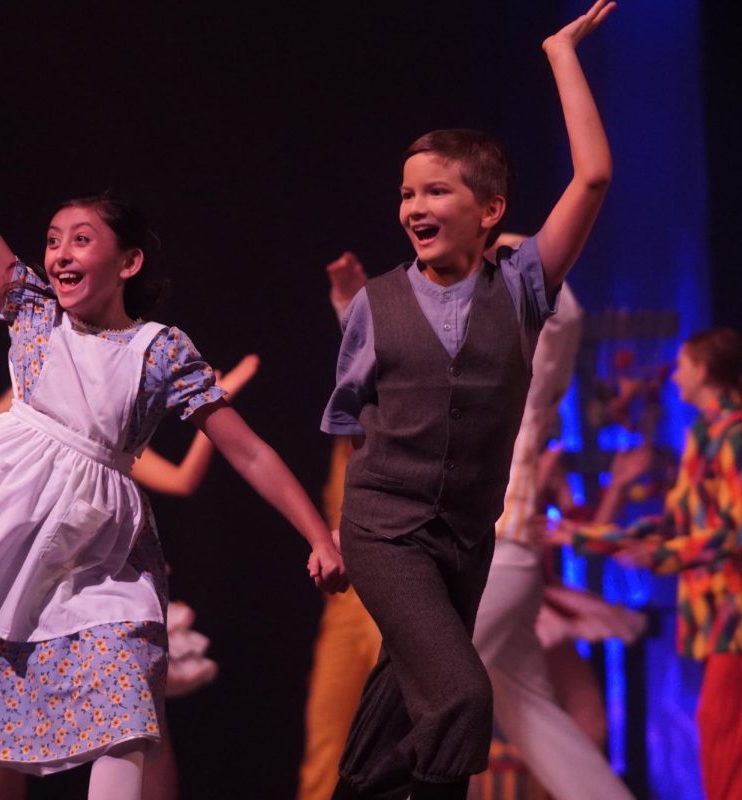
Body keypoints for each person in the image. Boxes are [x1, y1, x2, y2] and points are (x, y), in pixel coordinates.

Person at [0, 35, 345, 800]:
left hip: (97, 559)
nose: (61, 253)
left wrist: (318, 533)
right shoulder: (34, 315)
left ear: (128, 261)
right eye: (53, 240)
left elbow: (247, 452)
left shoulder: (159, 350)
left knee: (125, 704)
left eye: (82, 240)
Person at [320, 3, 614, 797]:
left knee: (397, 709)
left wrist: (561, 54)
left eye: (437, 191)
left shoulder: (521, 290)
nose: (414, 206)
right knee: (461, 696)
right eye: (407, 193)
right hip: (385, 533)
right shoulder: (374, 307)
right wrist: (329, 536)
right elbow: (352, 423)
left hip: (466, 539)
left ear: (489, 213)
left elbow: (592, 176)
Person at [0, 346, 259, 799]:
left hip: (88, 586)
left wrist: (213, 405)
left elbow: (179, 480)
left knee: (136, 712)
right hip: (15, 586)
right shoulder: (15, 413)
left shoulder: (95, 428)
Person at [468, 234, 634, 800]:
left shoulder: (532, 374)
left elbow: (564, 321)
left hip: (500, 557)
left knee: (423, 686)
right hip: (492, 558)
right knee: (535, 714)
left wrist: (511, 247)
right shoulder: (477, 363)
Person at [560, 327, 741, 800]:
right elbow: (674, 525)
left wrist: (665, 555)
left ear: (703, 370)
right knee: (718, 729)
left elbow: (735, 532)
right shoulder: (705, 433)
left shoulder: (733, 435)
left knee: (722, 731)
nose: (675, 375)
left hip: (735, 610)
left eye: (682, 364)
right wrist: (583, 535)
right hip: (716, 612)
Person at [299, 253, 382, 800]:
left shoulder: (400, 399)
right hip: (346, 590)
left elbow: (383, 352)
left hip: (396, 579)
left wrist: (354, 301)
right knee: (327, 736)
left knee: (402, 733)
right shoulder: (350, 412)